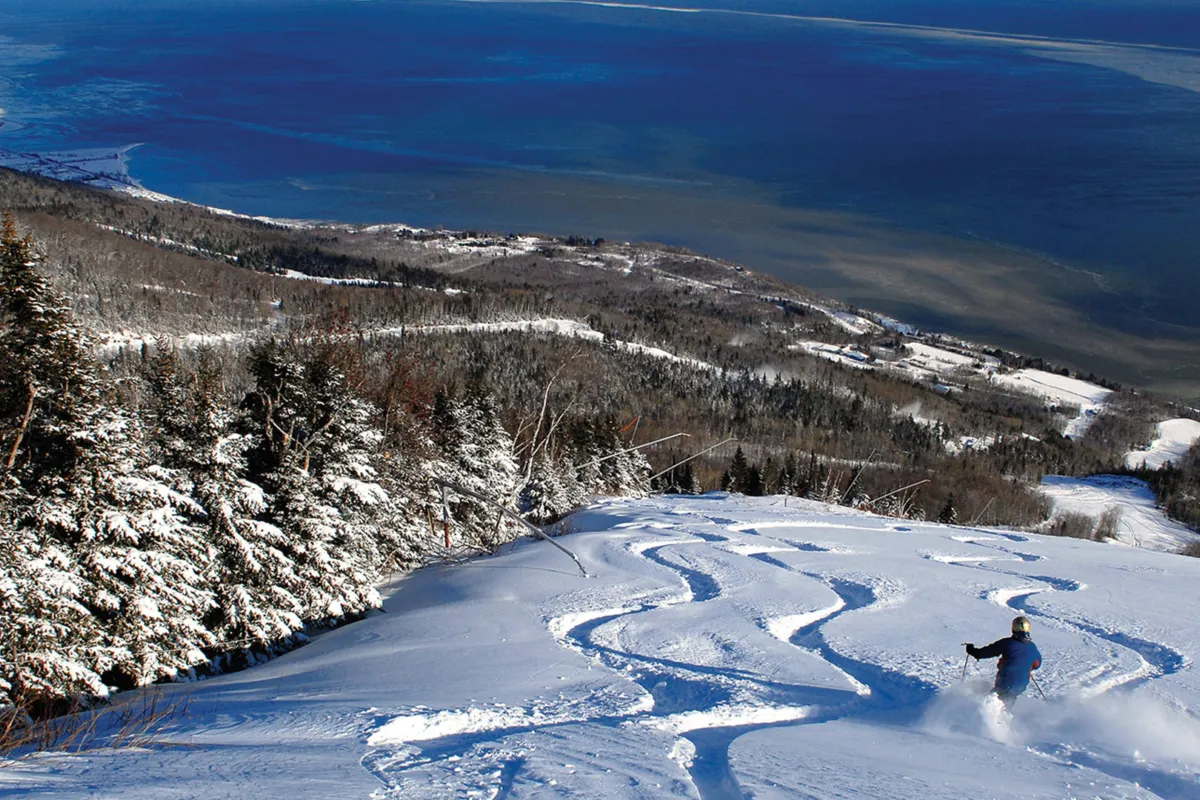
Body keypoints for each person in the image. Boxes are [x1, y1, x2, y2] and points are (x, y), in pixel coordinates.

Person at [965, 616, 1042, 708]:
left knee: (989, 706)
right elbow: (1037, 664)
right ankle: (1002, 717)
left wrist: (972, 650)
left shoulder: (1007, 643)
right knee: (1006, 704)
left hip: (1005, 684)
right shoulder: (1032, 646)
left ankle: (989, 719)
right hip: (1021, 685)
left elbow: (984, 653)